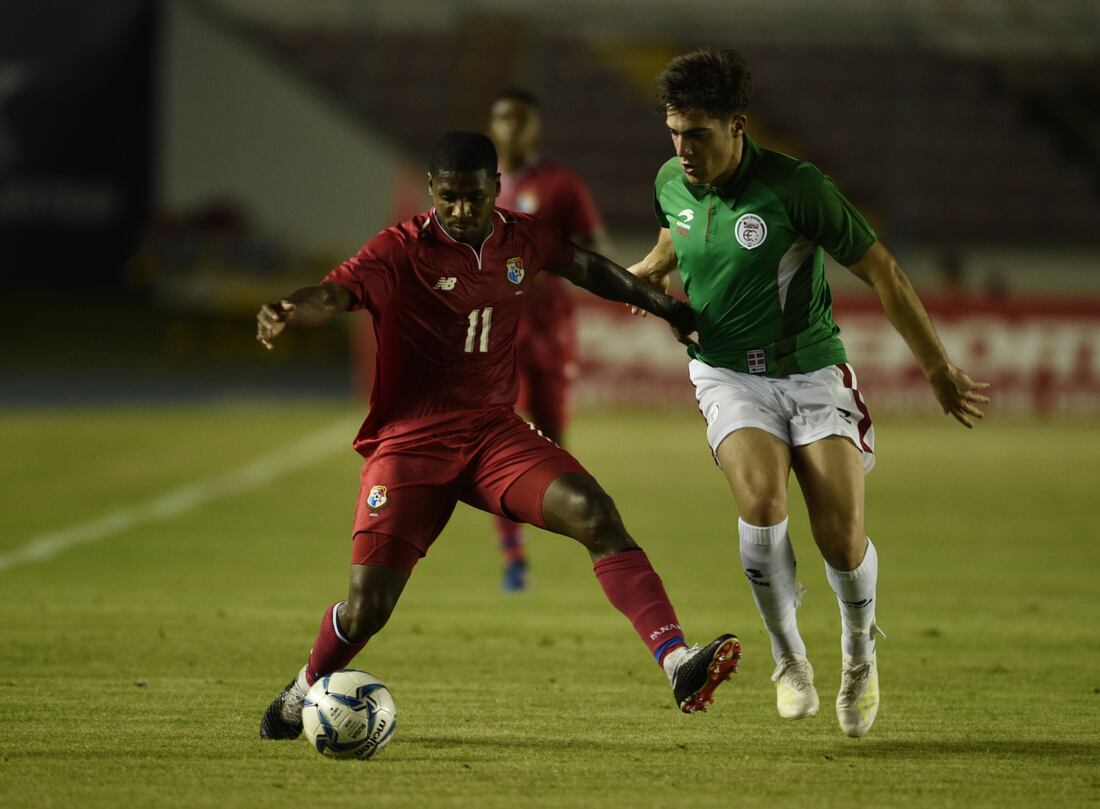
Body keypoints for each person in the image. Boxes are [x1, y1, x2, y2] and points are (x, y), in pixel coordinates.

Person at [256, 131, 740, 739]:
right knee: (367, 608)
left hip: (492, 435)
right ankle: (304, 688)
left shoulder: (521, 237)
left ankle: (677, 662)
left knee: (595, 513)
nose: (461, 210)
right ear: (432, 192)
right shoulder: (398, 250)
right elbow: (337, 291)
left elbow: (586, 266)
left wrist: (668, 308)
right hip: (410, 446)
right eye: (449, 198)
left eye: (473, 197)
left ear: (495, 189)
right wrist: (289, 307)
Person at [629, 50, 989, 738]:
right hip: (727, 374)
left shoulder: (797, 188)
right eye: (673, 132)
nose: (682, 149)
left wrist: (938, 369)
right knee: (762, 508)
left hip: (812, 372)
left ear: (737, 126)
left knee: (841, 537)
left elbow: (881, 269)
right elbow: (675, 233)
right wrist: (646, 271)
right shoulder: (671, 181)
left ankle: (859, 653)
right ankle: (790, 659)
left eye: (697, 133)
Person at [487, 88, 609, 592]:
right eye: (503, 119)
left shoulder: (561, 185)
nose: (512, 129)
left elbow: (596, 251)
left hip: (551, 334)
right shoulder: (476, 188)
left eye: (521, 120)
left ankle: (575, 532)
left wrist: (550, 266)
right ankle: (514, 556)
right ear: (492, 127)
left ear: (535, 128)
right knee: (496, 442)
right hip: (497, 340)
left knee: (555, 443)